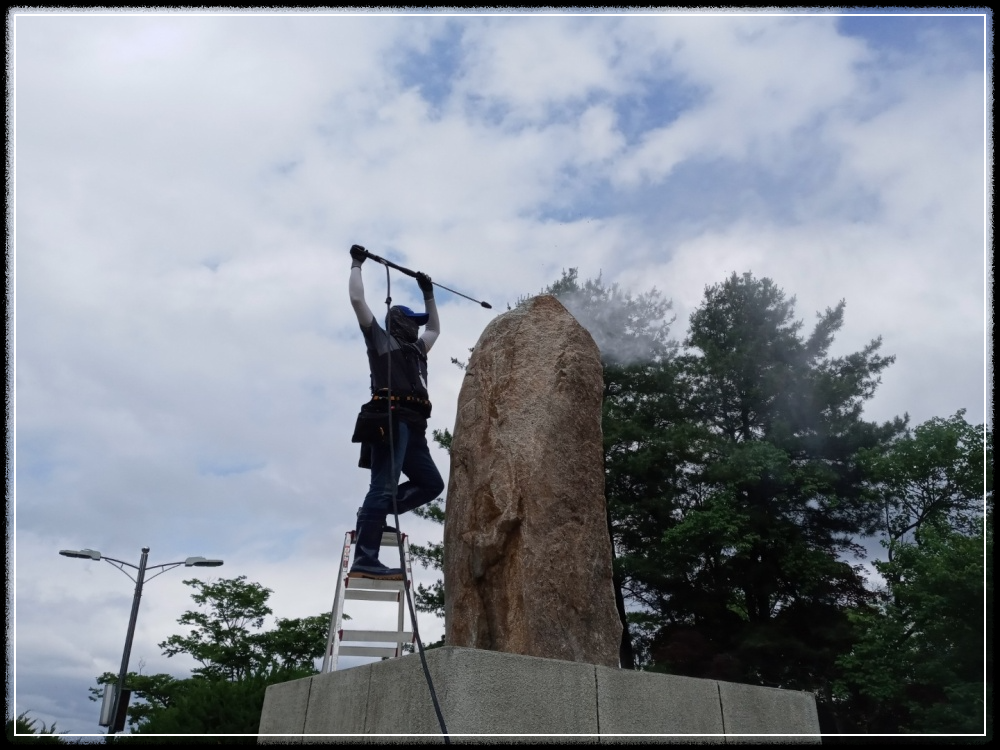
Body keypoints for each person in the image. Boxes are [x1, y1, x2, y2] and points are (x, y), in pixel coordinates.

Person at [347, 244, 445, 580]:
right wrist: (357, 264)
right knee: (384, 484)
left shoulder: (418, 350)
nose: (419, 328)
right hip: (389, 419)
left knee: (431, 484)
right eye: (412, 321)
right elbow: (359, 302)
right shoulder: (380, 341)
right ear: (398, 322)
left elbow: (435, 329)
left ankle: (375, 512)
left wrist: (428, 293)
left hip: (414, 426)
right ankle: (365, 558)